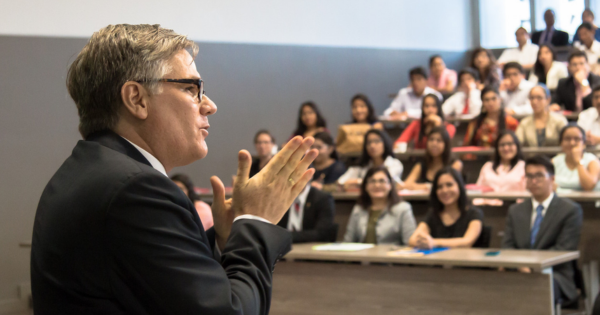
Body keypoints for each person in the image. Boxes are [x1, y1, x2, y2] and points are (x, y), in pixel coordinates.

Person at [31, 24, 320, 314]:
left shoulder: (87, 170)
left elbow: (160, 287)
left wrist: (224, 241)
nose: (209, 105)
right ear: (137, 99)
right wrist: (255, 223)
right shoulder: (136, 190)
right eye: (191, 88)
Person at [502, 155, 583, 306]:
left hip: (554, 274)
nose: (534, 181)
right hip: (519, 271)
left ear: (552, 179)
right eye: (530, 176)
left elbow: (563, 250)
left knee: (532, 287)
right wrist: (521, 267)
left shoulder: (570, 210)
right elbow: (507, 247)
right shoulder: (515, 210)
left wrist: (533, 267)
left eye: (539, 175)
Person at [408, 167, 484, 249]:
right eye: (440, 187)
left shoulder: (474, 213)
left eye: (449, 185)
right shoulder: (433, 214)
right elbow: (412, 240)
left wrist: (434, 242)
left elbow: (467, 242)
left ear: (459, 186)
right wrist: (423, 240)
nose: (444, 190)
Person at [343, 166, 416, 245]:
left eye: (382, 181)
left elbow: (410, 243)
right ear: (366, 186)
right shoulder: (358, 209)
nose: (377, 185)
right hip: (362, 256)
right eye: (372, 181)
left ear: (390, 185)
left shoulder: (403, 209)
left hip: (390, 256)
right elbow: (348, 242)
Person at [338, 129, 403, 190]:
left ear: (385, 143)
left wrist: (357, 181)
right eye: (369, 142)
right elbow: (341, 181)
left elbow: (384, 181)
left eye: (376, 141)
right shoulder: (363, 164)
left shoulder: (394, 164)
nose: (372, 146)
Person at [552, 123, 600, 191]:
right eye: (567, 139)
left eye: (577, 139)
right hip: (561, 201)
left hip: (586, 201)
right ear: (561, 143)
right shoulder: (554, 162)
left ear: (584, 144)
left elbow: (589, 186)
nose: (572, 143)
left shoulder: (593, 161)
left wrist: (578, 161)